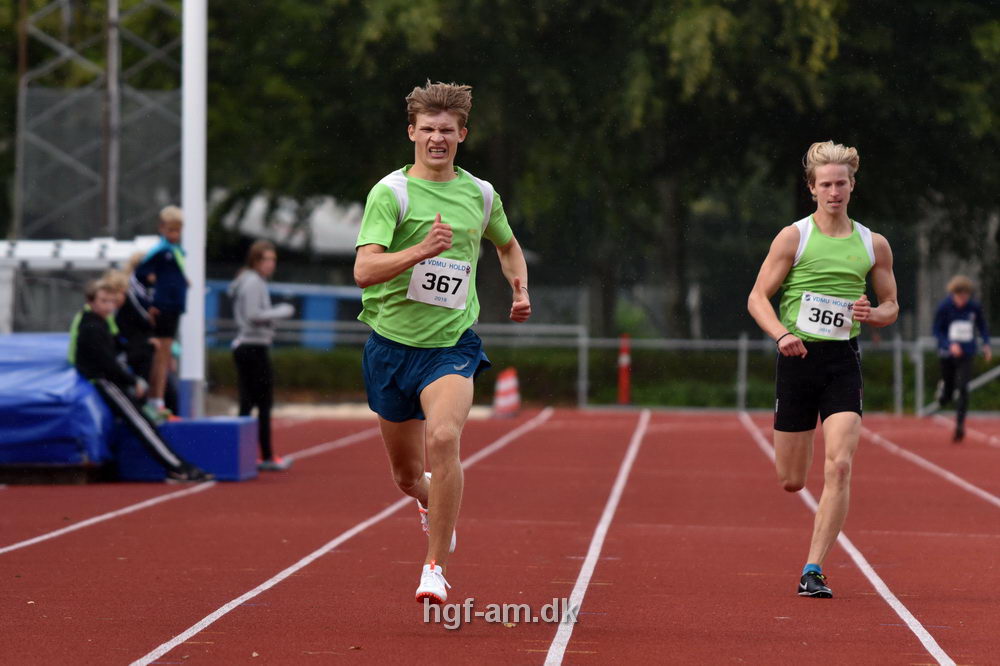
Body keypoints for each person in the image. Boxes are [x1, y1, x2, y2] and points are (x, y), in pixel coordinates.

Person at [353, 81, 531, 604]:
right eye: (427, 129)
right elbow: (364, 270)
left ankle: (434, 566)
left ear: (462, 136)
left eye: (446, 131)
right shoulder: (392, 194)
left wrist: (519, 286)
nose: (437, 138)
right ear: (412, 133)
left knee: (446, 437)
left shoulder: (480, 195)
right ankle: (432, 501)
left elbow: (509, 247)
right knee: (408, 476)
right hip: (390, 348)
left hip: (451, 347)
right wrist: (419, 250)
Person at [747, 140, 899, 598]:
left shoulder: (873, 243)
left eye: (842, 183)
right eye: (826, 184)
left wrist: (874, 313)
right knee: (792, 480)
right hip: (797, 359)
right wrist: (781, 334)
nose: (834, 191)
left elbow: (892, 305)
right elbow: (757, 298)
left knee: (840, 466)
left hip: (841, 362)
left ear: (853, 186)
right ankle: (811, 547)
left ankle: (813, 568)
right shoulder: (794, 237)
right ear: (812, 189)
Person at [69, 280, 211, 482]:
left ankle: (178, 464)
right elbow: (106, 361)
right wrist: (132, 380)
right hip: (103, 381)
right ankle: (177, 466)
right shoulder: (90, 325)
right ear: (91, 301)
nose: (108, 306)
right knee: (141, 424)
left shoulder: (102, 323)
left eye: (111, 302)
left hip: (109, 379)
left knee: (145, 422)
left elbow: (119, 348)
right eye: (103, 301)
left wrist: (145, 345)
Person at [228, 240, 296, 471]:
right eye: (268, 259)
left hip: (249, 345)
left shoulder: (248, 281)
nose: (272, 264)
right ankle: (265, 455)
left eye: (274, 260)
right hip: (253, 346)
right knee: (262, 403)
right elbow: (253, 315)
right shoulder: (253, 282)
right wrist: (282, 311)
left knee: (248, 403)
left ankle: (240, 455)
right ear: (256, 260)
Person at [134, 206, 188, 423]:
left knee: (166, 357)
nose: (174, 234)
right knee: (162, 357)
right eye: (170, 230)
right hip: (164, 305)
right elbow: (141, 272)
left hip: (174, 305)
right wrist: (153, 282)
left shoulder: (176, 251)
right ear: (162, 229)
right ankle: (155, 400)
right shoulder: (162, 251)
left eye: (178, 230)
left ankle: (159, 400)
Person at [932, 275, 992, 442]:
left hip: (967, 353)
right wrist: (949, 344)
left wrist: (986, 344)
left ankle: (959, 425)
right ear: (953, 294)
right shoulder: (944, 307)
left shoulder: (974, 307)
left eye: (966, 295)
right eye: (960, 295)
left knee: (964, 387)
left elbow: (982, 326)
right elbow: (937, 330)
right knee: (948, 395)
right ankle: (944, 391)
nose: (963, 299)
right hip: (948, 354)